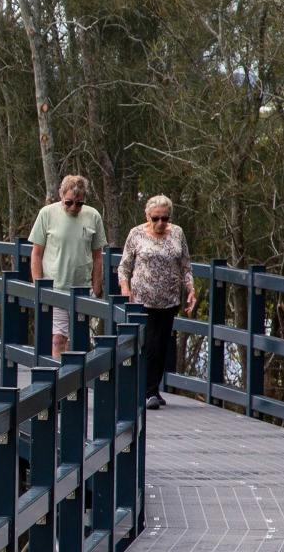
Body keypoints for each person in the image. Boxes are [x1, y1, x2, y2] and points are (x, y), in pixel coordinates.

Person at [117, 194, 197, 410]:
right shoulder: (136, 234)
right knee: (150, 344)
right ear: (147, 216)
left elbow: (185, 266)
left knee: (163, 345)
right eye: (156, 218)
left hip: (170, 299)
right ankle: (148, 391)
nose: (160, 223)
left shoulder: (177, 233)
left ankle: (154, 389)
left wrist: (191, 290)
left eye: (165, 218)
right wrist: (125, 288)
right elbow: (124, 266)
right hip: (143, 299)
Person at [29, 174, 106, 357]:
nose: (73, 207)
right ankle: (58, 380)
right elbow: (37, 252)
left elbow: (97, 255)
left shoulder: (93, 216)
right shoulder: (47, 214)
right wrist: (38, 285)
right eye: (69, 202)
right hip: (55, 287)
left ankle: (75, 382)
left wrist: (97, 286)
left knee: (78, 340)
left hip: (82, 288)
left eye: (79, 203)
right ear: (61, 195)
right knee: (57, 339)